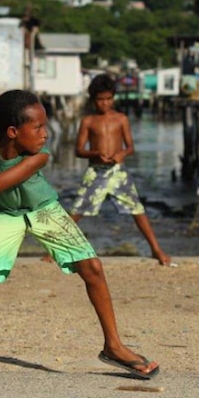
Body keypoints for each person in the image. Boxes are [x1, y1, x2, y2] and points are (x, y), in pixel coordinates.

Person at [0, 89, 160, 390]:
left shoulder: (39, 156)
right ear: (13, 131)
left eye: (45, 126)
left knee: (92, 268)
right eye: (37, 127)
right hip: (3, 215)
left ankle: (113, 346)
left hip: (43, 210)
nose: (45, 134)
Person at [69, 74, 172, 267]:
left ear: (113, 98)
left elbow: (130, 147)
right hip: (96, 170)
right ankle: (54, 251)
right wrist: (95, 154)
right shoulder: (88, 121)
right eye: (100, 99)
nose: (104, 103)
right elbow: (78, 150)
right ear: (93, 100)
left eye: (108, 99)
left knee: (137, 211)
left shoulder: (121, 119)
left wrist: (121, 154)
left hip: (118, 171)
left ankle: (156, 249)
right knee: (76, 211)